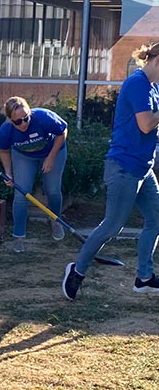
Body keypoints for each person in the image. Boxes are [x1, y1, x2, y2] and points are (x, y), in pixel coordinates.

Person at [62, 43, 159, 300]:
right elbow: (147, 124)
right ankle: (77, 271)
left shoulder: (154, 88)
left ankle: (144, 278)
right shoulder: (137, 84)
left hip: (143, 168)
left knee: (156, 220)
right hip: (124, 167)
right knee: (112, 226)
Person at [0, 96, 69, 252]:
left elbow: (62, 132)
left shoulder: (43, 117)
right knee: (21, 195)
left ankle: (55, 221)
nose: (23, 124)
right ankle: (18, 236)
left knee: (53, 190)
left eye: (26, 118)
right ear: (10, 120)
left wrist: (51, 157)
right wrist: (8, 173)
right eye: (17, 122)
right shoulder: (5, 131)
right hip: (24, 156)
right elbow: (4, 151)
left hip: (52, 151)